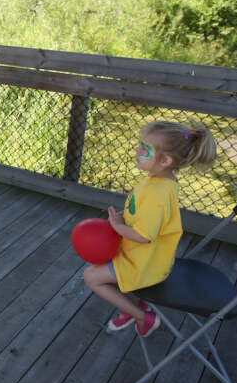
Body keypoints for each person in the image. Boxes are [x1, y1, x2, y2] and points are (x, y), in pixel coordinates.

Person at [83, 120, 216, 337]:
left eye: (144, 148)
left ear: (165, 160)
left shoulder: (157, 195)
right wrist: (124, 217)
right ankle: (135, 304)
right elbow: (143, 214)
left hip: (144, 264)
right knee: (101, 265)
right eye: (140, 144)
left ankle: (142, 316)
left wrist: (117, 226)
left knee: (91, 276)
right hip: (146, 257)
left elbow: (143, 236)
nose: (137, 150)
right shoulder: (161, 181)